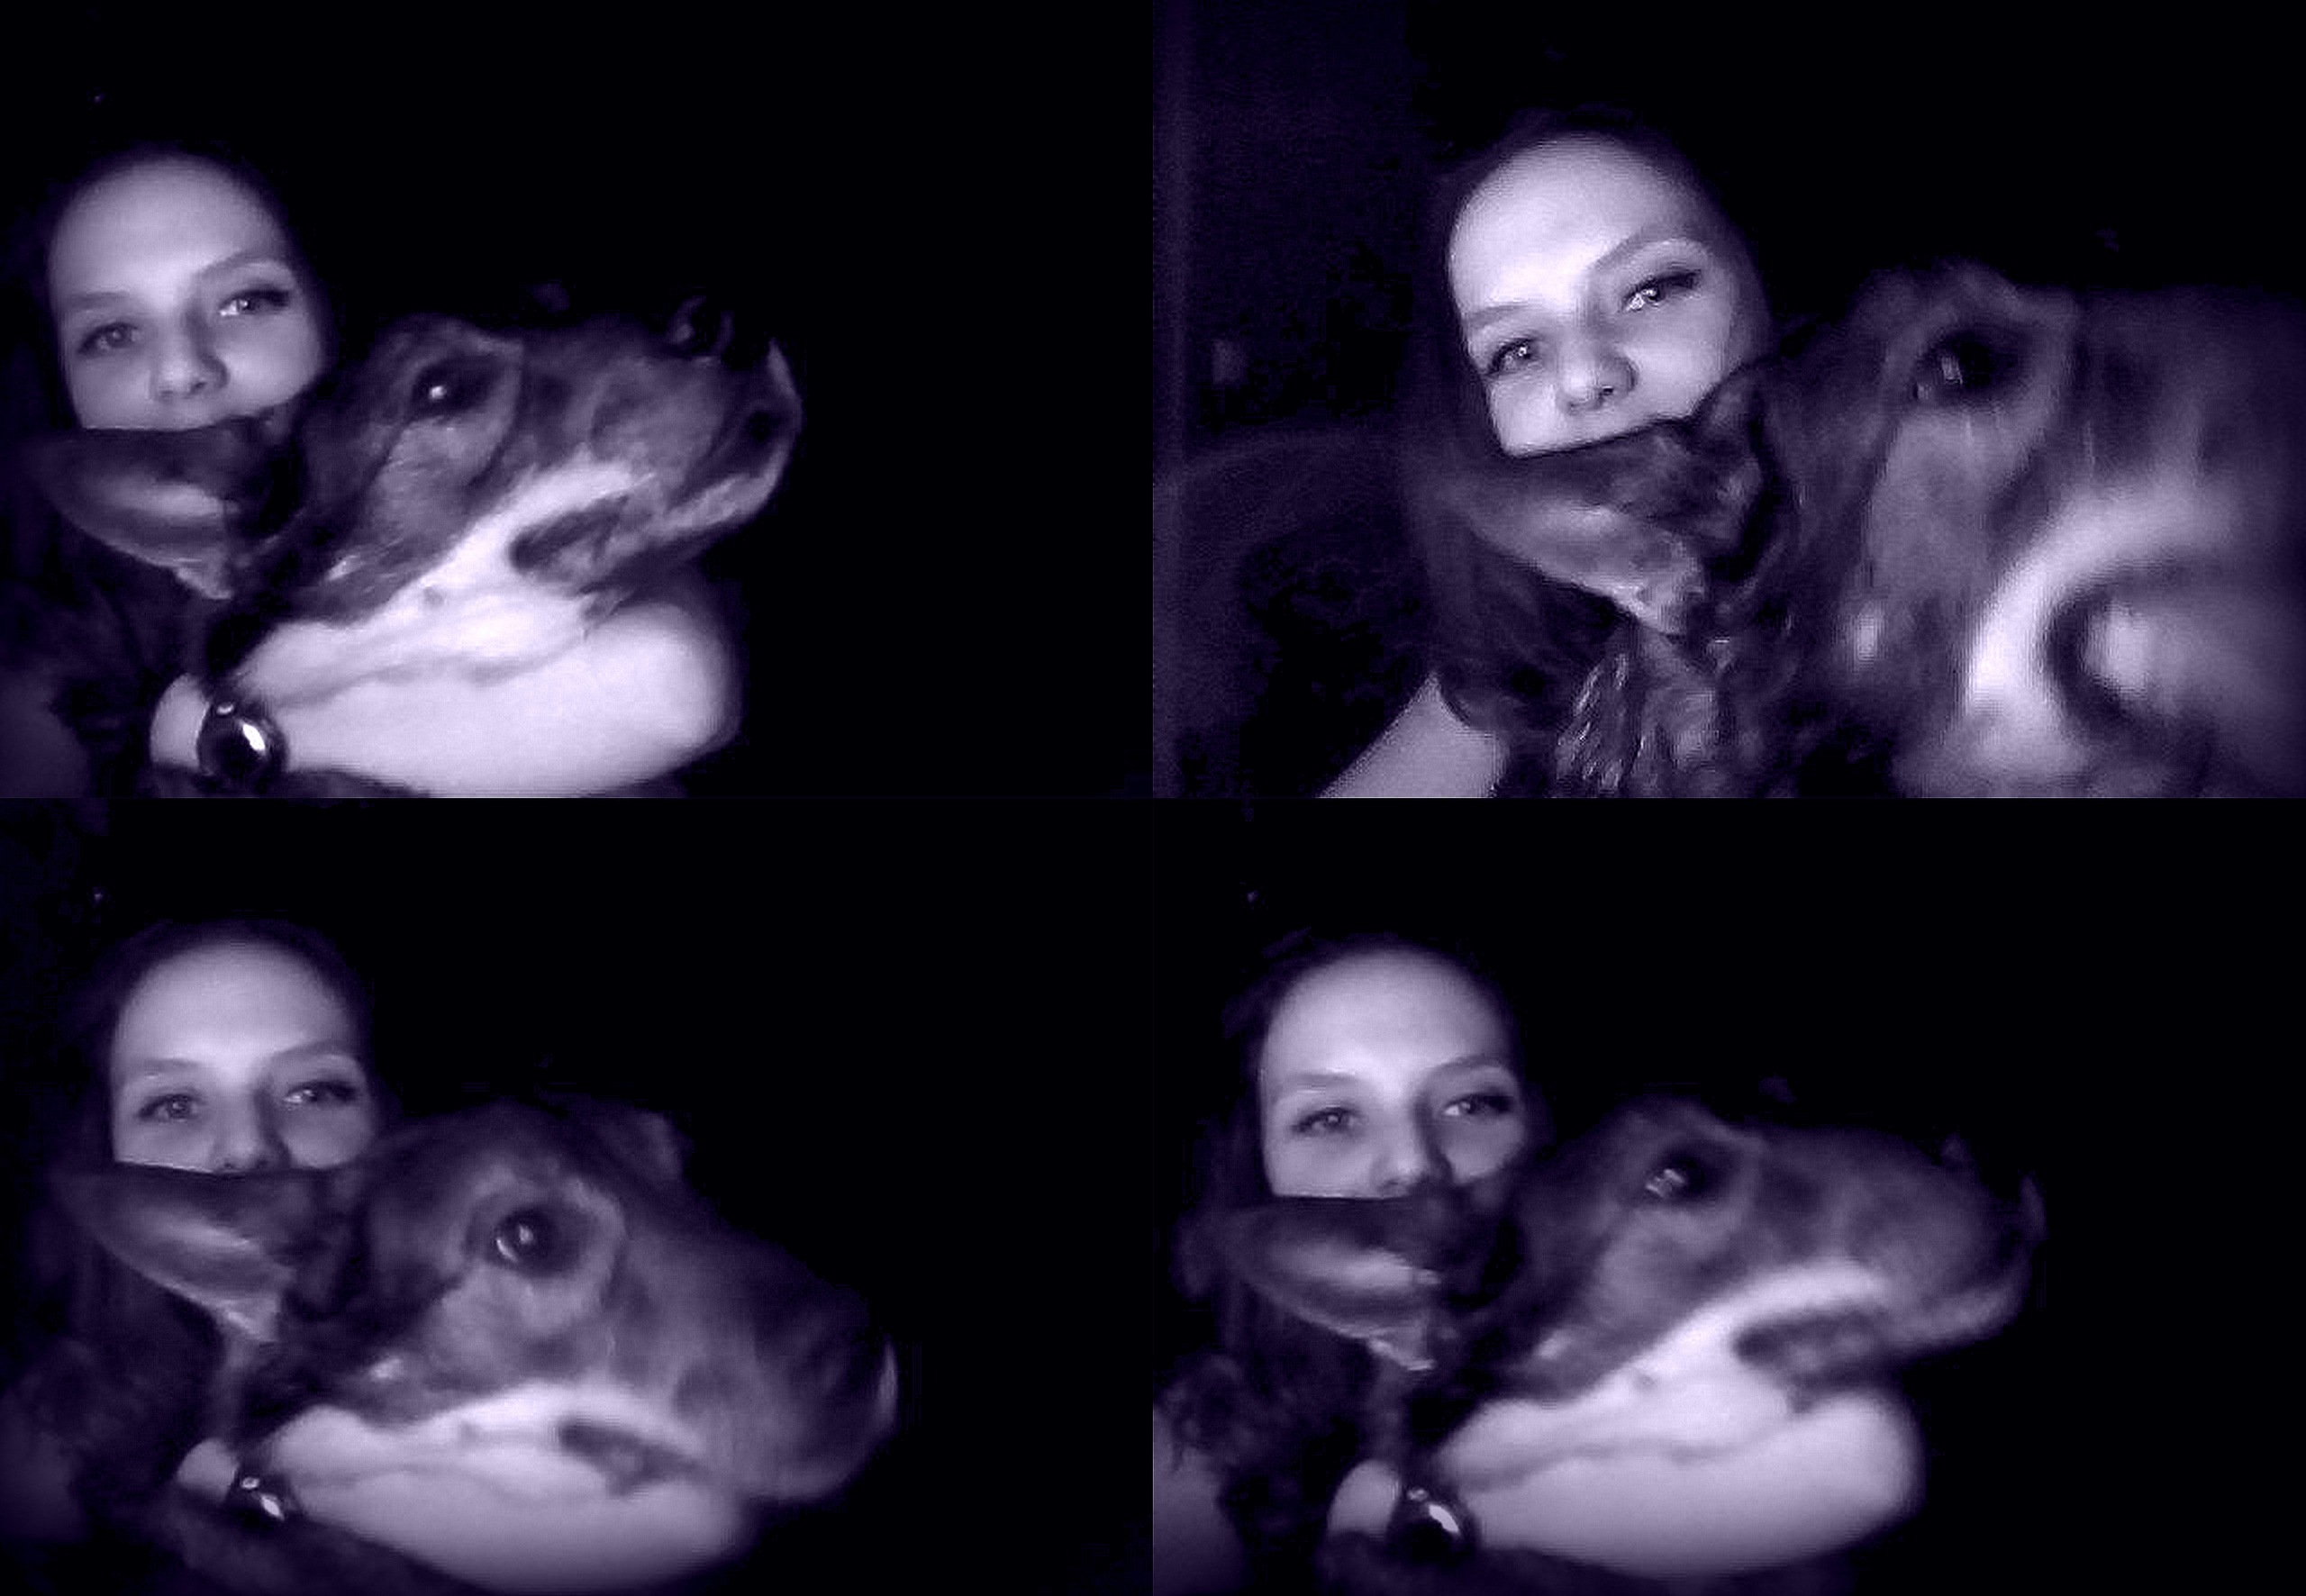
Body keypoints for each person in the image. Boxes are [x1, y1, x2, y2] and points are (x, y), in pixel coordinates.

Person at [1152, 929, 1920, 1594]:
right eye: (1330, 1118)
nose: (1413, 1164)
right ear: (1261, 1165)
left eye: (1471, 1103)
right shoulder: (1193, 1448)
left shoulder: (1727, 1320)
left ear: (1550, 1134)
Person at [0, 917, 750, 1594]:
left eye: (314, 1091)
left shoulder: (581, 1338)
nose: (247, 1146)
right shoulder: (44, 1447)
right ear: (112, 1151)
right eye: (173, 1104)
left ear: (398, 1130)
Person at [0, 137, 739, 795]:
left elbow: (675, 684)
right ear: (64, 383)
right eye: (112, 334)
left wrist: (215, 736)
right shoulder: (39, 684)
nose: (181, 369)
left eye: (246, 300)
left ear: (332, 317)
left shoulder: (530, 474)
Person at [1323, 107, 1776, 796]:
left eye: (1650, 291)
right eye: (1518, 351)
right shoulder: (1529, 658)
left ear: (1767, 286)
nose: (1583, 377)